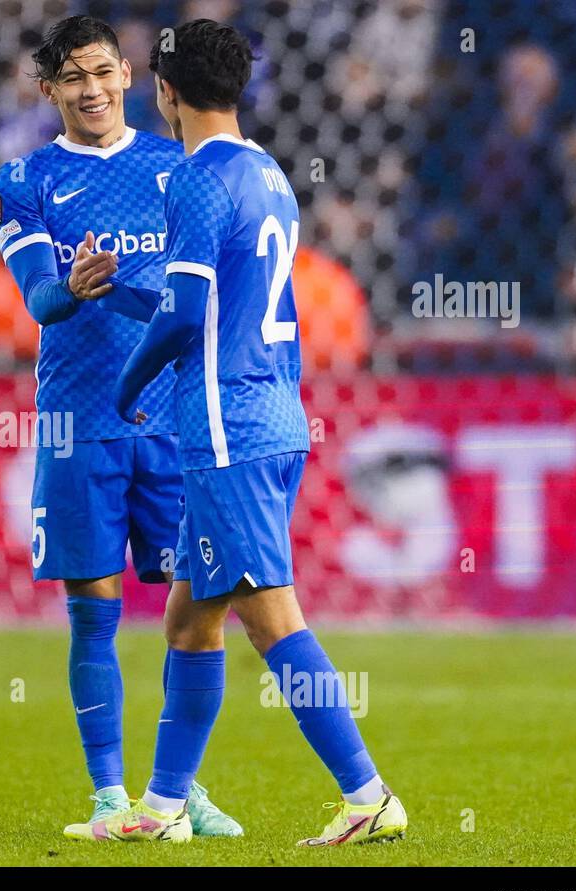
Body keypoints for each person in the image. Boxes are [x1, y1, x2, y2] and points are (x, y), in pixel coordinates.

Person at [68, 19, 406, 846]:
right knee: (189, 620)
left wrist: (124, 384)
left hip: (228, 430)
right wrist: (113, 297)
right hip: (271, 416)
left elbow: (186, 317)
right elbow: (217, 310)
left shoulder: (193, 180)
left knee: (273, 620)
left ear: (164, 91)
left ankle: (368, 795)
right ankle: (162, 808)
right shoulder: (270, 176)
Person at [0, 15, 241, 837]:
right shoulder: (24, 179)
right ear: (49, 89)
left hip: (173, 424)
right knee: (93, 608)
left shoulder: (180, 167)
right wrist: (75, 283)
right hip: (80, 422)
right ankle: (109, 794)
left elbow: (196, 297)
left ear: (129, 75)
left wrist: (128, 292)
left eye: (102, 73)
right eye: (72, 79)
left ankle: (180, 790)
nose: (91, 90)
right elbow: (39, 299)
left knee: (198, 609)